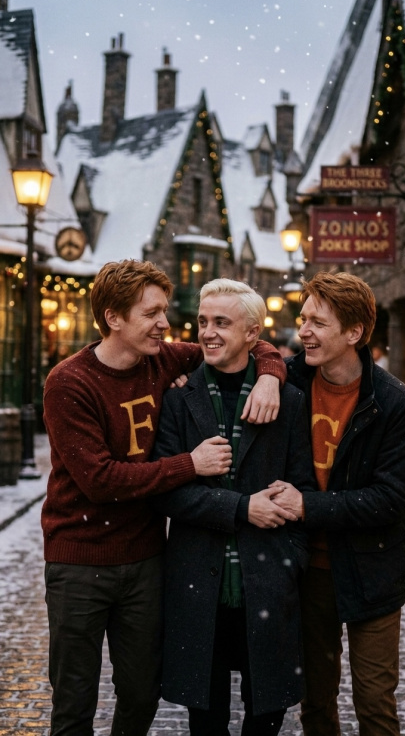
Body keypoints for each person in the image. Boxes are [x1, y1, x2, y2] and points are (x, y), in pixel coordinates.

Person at [42, 259, 288, 736]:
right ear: (113, 318)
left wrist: (270, 376)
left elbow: (248, 342)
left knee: (142, 693)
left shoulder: (162, 360)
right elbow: (100, 480)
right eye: (151, 313)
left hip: (146, 560)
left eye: (165, 312)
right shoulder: (69, 382)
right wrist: (189, 464)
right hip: (79, 562)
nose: (164, 324)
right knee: (74, 698)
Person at [151, 278, 316, 736]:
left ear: (252, 333)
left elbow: (302, 488)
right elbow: (168, 492)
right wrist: (242, 508)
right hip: (198, 586)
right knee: (206, 722)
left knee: (266, 718)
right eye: (203, 322)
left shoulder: (288, 401)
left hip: (267, 583)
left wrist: (292, 561)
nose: (208, 332)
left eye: (222, 323)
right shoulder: (177, 398)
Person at [270, 270, 405, 736]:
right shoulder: (286, 380)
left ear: (354, 333)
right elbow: (232, 354)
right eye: (303, 319)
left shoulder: (393, 402)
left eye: (318, 323)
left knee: (374, 704)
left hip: (371, 570)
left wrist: (307, 506)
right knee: (316, 703)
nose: (304, 331)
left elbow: (390, 499)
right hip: (306, 572)